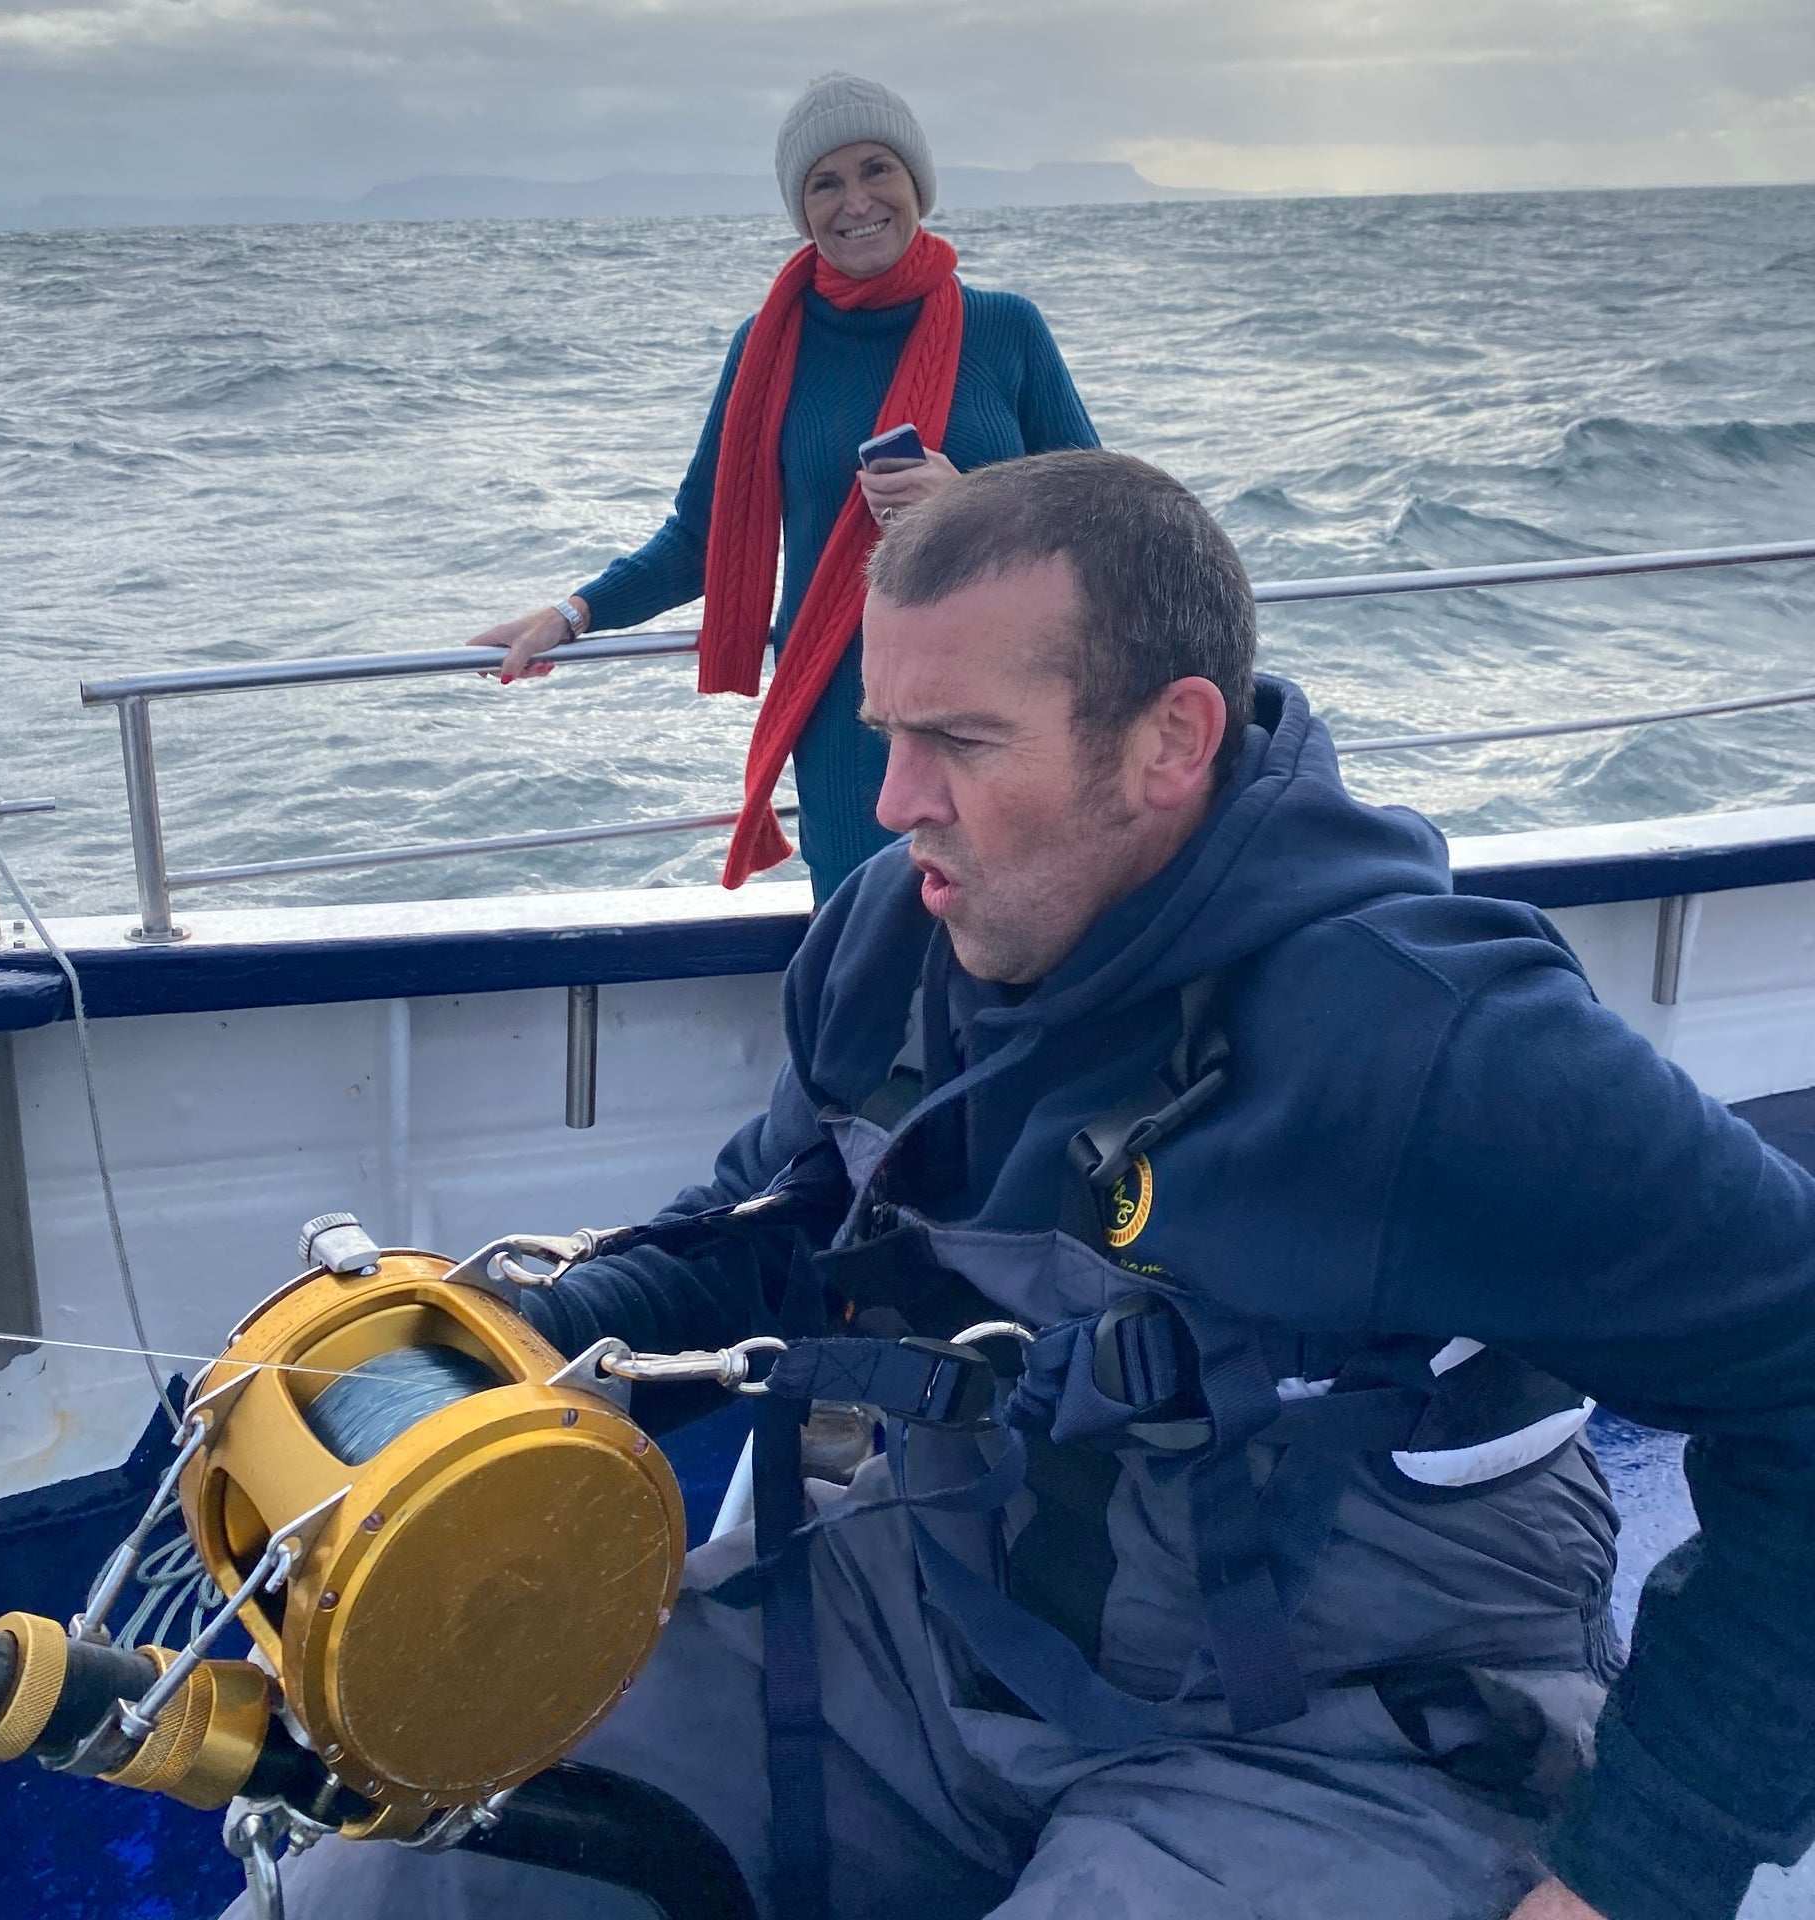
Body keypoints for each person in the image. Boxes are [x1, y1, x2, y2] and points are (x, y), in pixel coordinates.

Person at [265, 450, 1815, 1920]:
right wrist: (482, 1366)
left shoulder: (1439, 1047)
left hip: (1343, 1712)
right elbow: (774, 1230)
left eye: (963, 743)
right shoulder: (899, 931)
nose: (891, 801)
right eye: (887, 731)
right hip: (944, 1602)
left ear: (1170, 744)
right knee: (404, 1856)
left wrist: (1643, 1871)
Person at [465, 73, 1099, 903]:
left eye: (878, 169)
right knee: (867, 970)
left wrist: (967, 503)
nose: (856, 199)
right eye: (824, 182)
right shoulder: (765, 349)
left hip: (1003, 705)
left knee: (1013, 948)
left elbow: (1102, 521)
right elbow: (703, 538)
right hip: (849, 720)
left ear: (918, 185)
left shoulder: (1005, 327)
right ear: (802, 210)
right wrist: (572, 615)